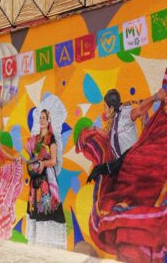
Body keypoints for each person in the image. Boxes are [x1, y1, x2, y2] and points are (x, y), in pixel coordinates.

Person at [77, 87, 167, 262]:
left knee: (116, 205)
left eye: (105, 107)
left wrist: (156, 97)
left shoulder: (125, 113)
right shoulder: (112, 122)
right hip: (121, 167)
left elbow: (139, 110)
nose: (103, 111)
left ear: (111, 107)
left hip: (132, 162)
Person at [25, 109, 66, 249]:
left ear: (48, 121)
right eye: (40, 118)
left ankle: (48, 242)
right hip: (36, 178)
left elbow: (53, 160)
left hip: (45, 179)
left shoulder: (51, 138)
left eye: (44, 118)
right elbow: (32, 155)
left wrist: (43, 163)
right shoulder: (36, 138)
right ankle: (37, 241)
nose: (42, 120)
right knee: (36, 210)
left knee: (47, 209)